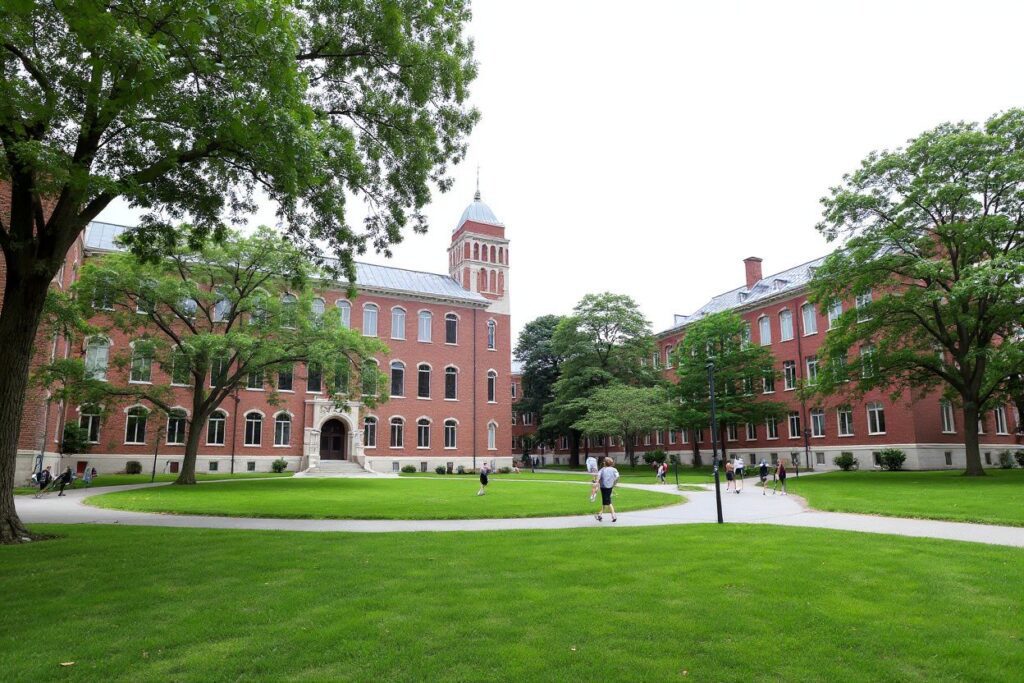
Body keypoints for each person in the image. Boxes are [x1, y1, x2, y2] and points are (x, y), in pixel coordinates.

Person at [595, 457, 619, 522]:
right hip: (610, 487)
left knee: (608, 502)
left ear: (604, 463)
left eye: (604, 461)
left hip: (603, 487)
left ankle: (613, 515)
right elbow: (617, 477)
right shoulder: (614, 469)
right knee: (605, 501)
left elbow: (598, 478)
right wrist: (615, 483)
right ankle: (599, 515)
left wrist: (596, 485)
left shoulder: (602, 470)